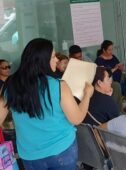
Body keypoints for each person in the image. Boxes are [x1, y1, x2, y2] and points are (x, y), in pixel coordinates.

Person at [0, 38, 94, 170]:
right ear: (42, 61)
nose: (56, 60)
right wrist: (87, 95)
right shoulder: (59, 85)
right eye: (53, 56)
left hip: (30, 155)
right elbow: (77, 118)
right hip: (62, 150)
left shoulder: (10, 85)